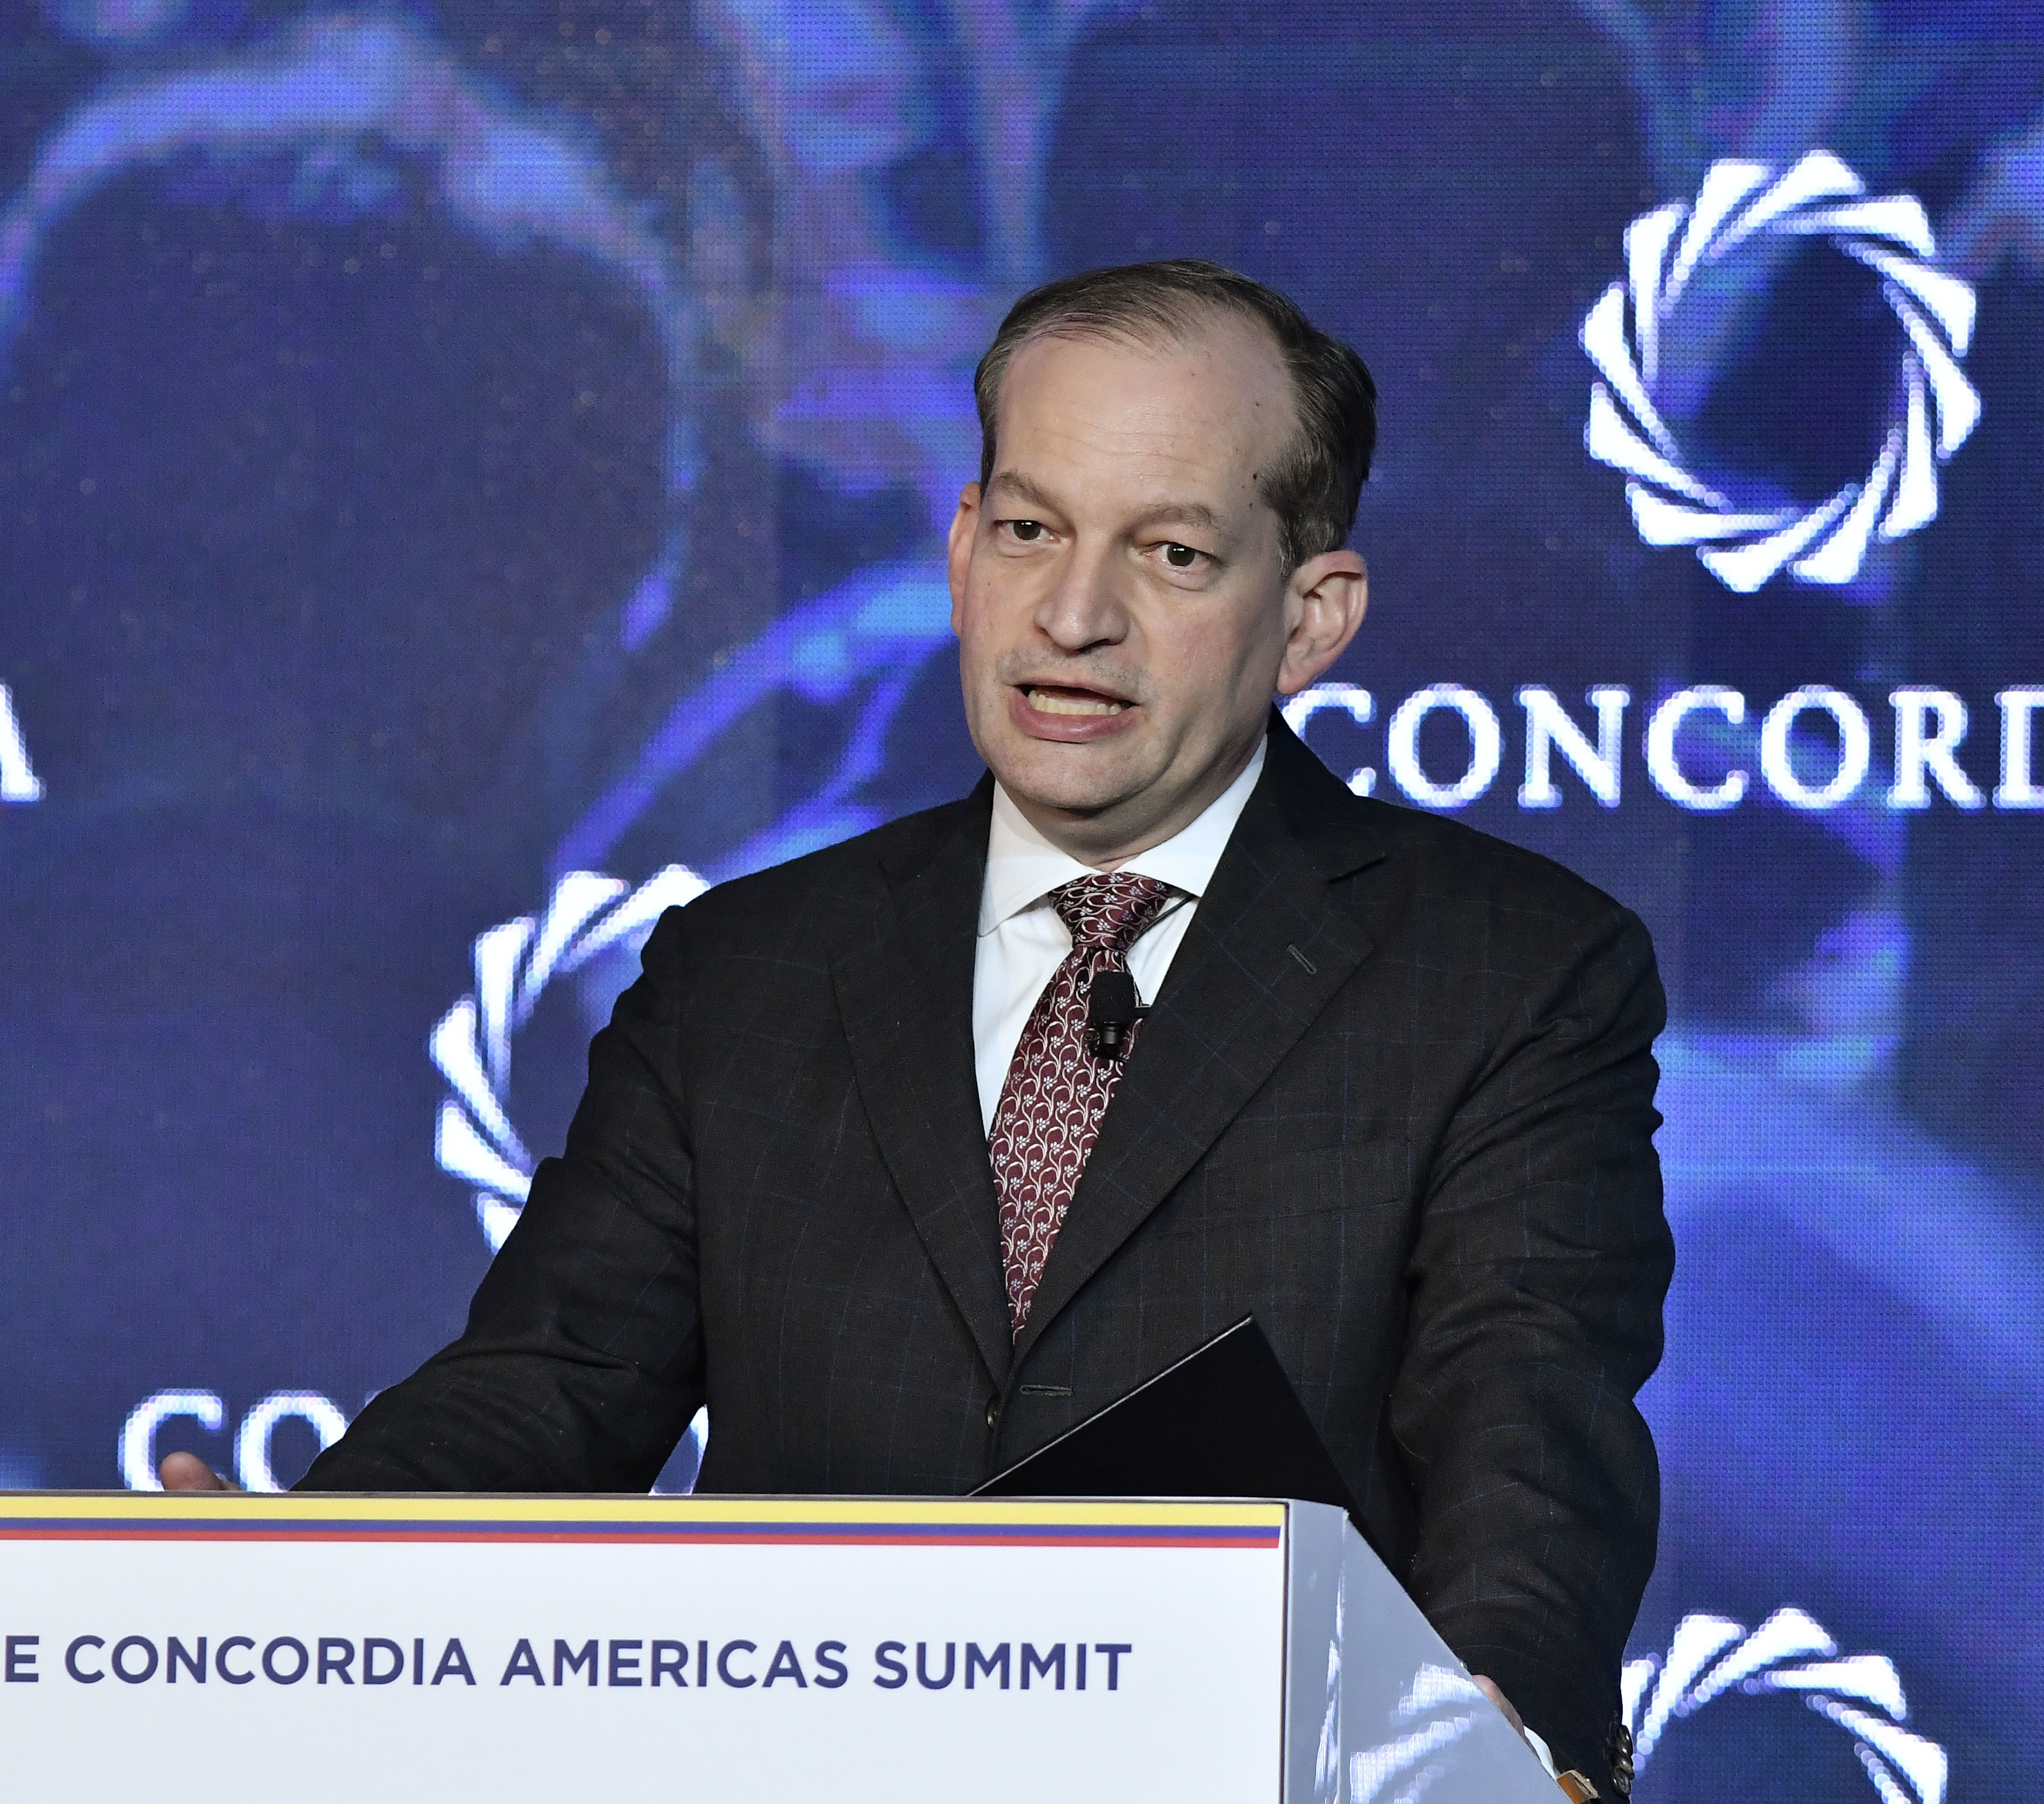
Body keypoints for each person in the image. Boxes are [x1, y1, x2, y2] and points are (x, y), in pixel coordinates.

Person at [165, 259, 1669, 1796]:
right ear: (961, 549)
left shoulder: (1508, 975)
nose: (1074, 616)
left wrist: (1497, 1741)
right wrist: (271, 1595)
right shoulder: (745, 969)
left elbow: (1528, 1437)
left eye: (1171, 553)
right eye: (1030, 530)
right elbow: (550, 1387)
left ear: (1308, 618)